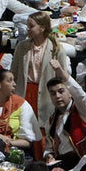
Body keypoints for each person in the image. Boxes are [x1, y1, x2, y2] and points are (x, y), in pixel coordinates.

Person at [11, 11, 71, 151]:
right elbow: (13, 72)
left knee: (43, 130)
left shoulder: (56, 49)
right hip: (25, 92)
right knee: (24, 128)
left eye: (31, 26)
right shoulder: (22, 47)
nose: (27, 29)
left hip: (45, 93)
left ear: (42, 28)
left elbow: (64, 78)